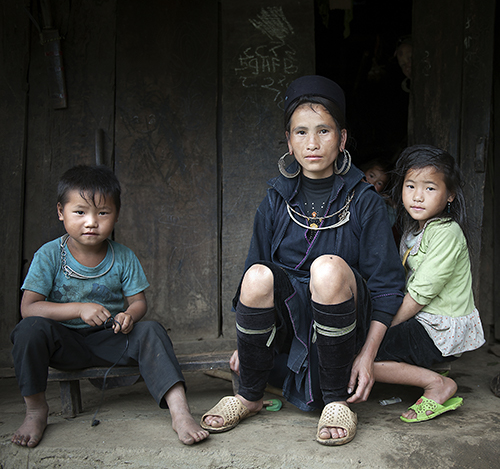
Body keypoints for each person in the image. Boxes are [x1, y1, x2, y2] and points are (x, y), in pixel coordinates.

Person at [201, 75, 405, 445]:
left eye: (324, 131)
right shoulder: (276, 200)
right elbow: (253, 277)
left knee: (325, 268)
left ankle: (336, 401)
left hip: (344, 320)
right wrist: (248, 346)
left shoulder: (364, 201)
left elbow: (388, 289)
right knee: (259, 274)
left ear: (341, 139)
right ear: (289, 142)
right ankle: (249, 396)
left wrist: (367, 355)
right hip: (290, 324)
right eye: (301, 133)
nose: (312, 143)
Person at [10, 165, 209, 447]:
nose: (91, 222)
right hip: (63, 344)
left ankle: (180, 412)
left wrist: (128, 315)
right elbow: (29, 308)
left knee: (151, 330)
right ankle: (35, 410)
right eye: (80, 212)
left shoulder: (123, 257)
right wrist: (78, 309)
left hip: (111, 340)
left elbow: (139, 302)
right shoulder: (50, 255)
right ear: (60, 212)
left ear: (116, 214)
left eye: (102, 213)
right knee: (28, 330)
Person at [374, 145, 485, 422]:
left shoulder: (447, 233)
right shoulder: (414, 228)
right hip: (423, 320)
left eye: (430, 188)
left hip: (438, 325)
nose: (418, 196)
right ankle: (433, 368)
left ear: (450, 195)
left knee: (362, 356)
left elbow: (418, 296)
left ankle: (437, 384)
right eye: (410, 186)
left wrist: (379, 330)